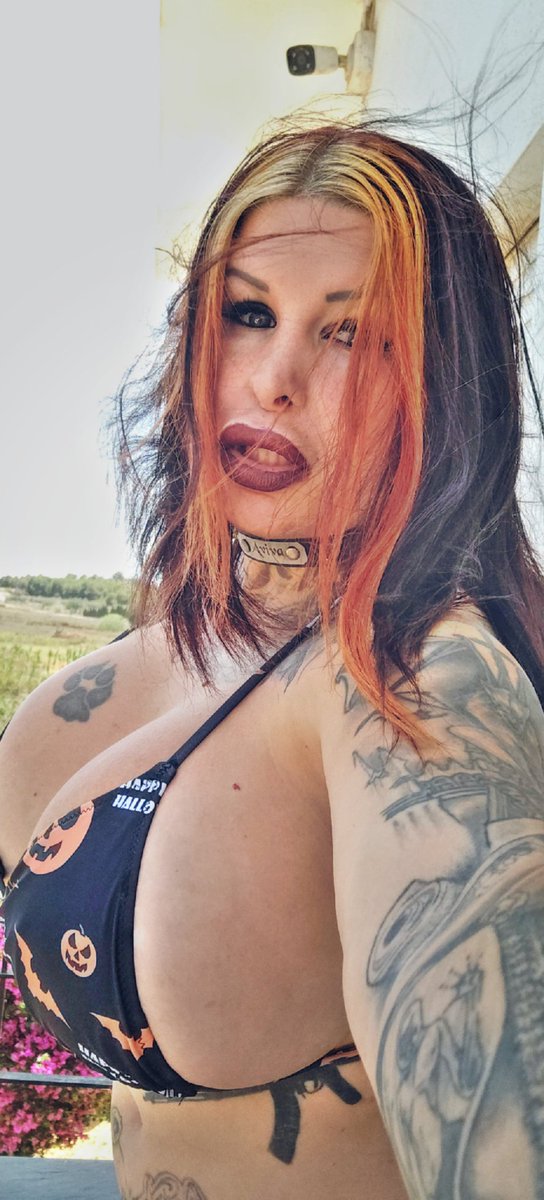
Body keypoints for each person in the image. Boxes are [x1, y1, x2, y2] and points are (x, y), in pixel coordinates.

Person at [1, 118, 544, 1200]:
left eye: (352, 334)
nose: (275, 380)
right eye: (247, 314)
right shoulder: (110, 683)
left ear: (448, 384)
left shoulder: (422, 692)